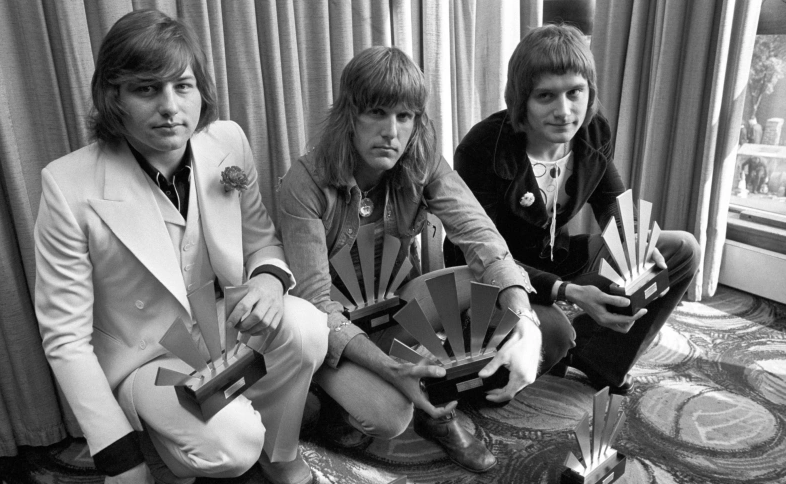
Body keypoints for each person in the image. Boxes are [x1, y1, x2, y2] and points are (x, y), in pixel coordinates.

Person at [34, 10, 327, 484]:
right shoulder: (67, 185)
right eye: (147, 89)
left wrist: (269, 282)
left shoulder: (227, 141)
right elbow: (65, 336)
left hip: (223, 329)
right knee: (234, 447)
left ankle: (279, 451)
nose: (170, 106)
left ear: (200, 91)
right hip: (147, 358)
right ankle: (172, 448)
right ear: (114, 97)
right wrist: (120, 459)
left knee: (308, 326)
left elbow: (261, 242)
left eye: (182, 86)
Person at [277, 46, 574, 473]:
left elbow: (480, 235)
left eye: (405, 116)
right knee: (389, 417)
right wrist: (390, 368)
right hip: (333, 330)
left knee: (541, 323)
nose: (391, 132)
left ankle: (437, 404)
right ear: (348, 116)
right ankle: (337, 399)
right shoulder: (305, 183)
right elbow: (315, 304)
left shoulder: (422, 161)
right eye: (376, 112)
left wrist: (525, 319)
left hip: (397, 308)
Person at [445, 24, 701, 395]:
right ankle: (561, 340)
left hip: (560, 257)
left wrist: (636, 245)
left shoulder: (593, 131)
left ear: (589, 91)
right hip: (494, 277)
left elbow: (613, 205)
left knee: (680, 250)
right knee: (551, 337)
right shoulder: (482, 148)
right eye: (545, 96)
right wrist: (567, 292)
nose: (564, 111)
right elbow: (474, 253)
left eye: (574, 92)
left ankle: (600, 358)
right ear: (521, 100)